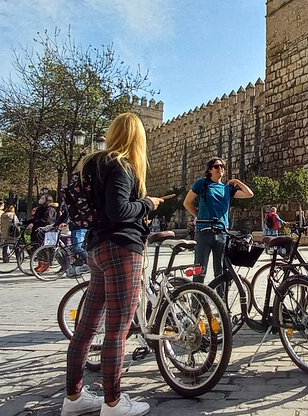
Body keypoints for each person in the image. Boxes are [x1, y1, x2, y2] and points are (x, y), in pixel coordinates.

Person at [62, 112, 163, 416]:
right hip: (121, 250)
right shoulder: (122, 165)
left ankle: (75, 397)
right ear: (137, 138)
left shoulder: (93, 165)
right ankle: (113, 403)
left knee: (86, 327)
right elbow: (119, 210)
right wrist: (148, 203)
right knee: (116, 330)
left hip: (98, 249)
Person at [183, 158, 254, 284]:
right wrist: (198, 216)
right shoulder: (202, 183)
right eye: (217, 166)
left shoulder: (227, 189)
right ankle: (197, 303)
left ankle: (220, 302)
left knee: (220, 272)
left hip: (222, 234)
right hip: (204, 232)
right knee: (200, 270)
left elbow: (249, 194)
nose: (220, 168)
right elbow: (187, 202)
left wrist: (236, 181)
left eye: (222, 166)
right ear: (210, 170)